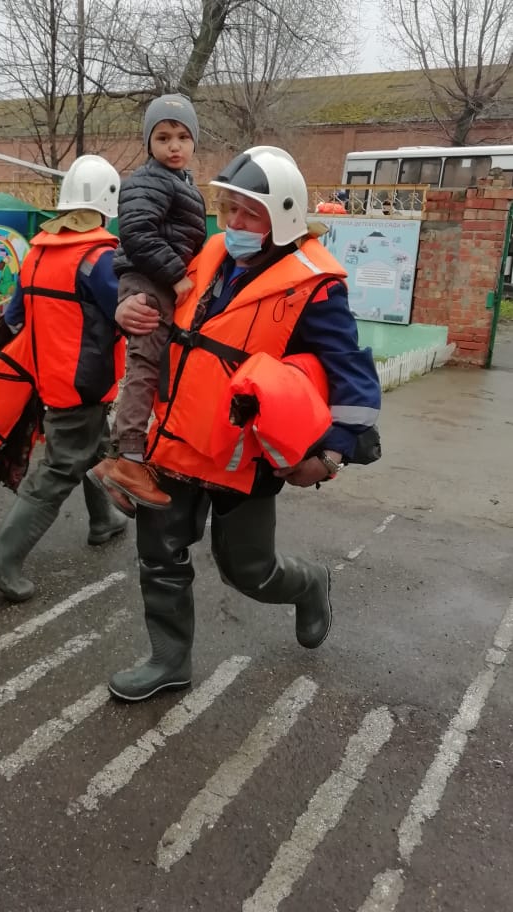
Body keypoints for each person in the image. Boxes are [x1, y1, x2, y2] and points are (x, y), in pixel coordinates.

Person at [104, 146, 382, 702]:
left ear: (281, 216)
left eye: (247, 213)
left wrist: (331, 455)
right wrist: (125, 307)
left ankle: (310, 585)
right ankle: (168, 660)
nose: (232, 224)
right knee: (158, 557)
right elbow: (147, 293)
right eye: (229, 210)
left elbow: (352, 376)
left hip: (242, 457)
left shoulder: (316, 288)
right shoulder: (205, 255)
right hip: (174, 443)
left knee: (248, 571)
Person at [0, 154, 130, 603]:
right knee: (61, 466)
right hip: (86, 381)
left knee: (93, 446)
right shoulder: (99, 258)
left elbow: (15, 317)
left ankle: (105, 521)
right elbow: (126, 316)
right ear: (106, 203)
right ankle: (2, 558)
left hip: (50, 381)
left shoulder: (38, 252)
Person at [88, 93, 206, 510]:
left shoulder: (178, 183)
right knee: (145, 365)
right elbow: (137, 233)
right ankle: (131, 459)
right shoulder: (148, 180)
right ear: (149, 143)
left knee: (151, 364)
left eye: (182, 137)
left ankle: (116, 461)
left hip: (153, 278)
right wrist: (175, 276)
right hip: (151, 281)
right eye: (163, 138)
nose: (174, 146)